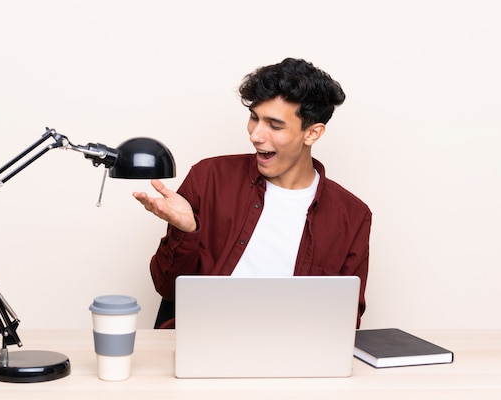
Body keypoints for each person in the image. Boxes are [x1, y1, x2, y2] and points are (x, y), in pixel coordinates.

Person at [133, 58, 372, 329]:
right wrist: (185, 232)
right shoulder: (209, 177)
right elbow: (167, 288)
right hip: (202, 339)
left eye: (275, 125)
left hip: (291, 352)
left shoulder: (352, 216)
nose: (256, 135)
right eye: (254, 118)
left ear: (312, 133)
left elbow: (347, 318)